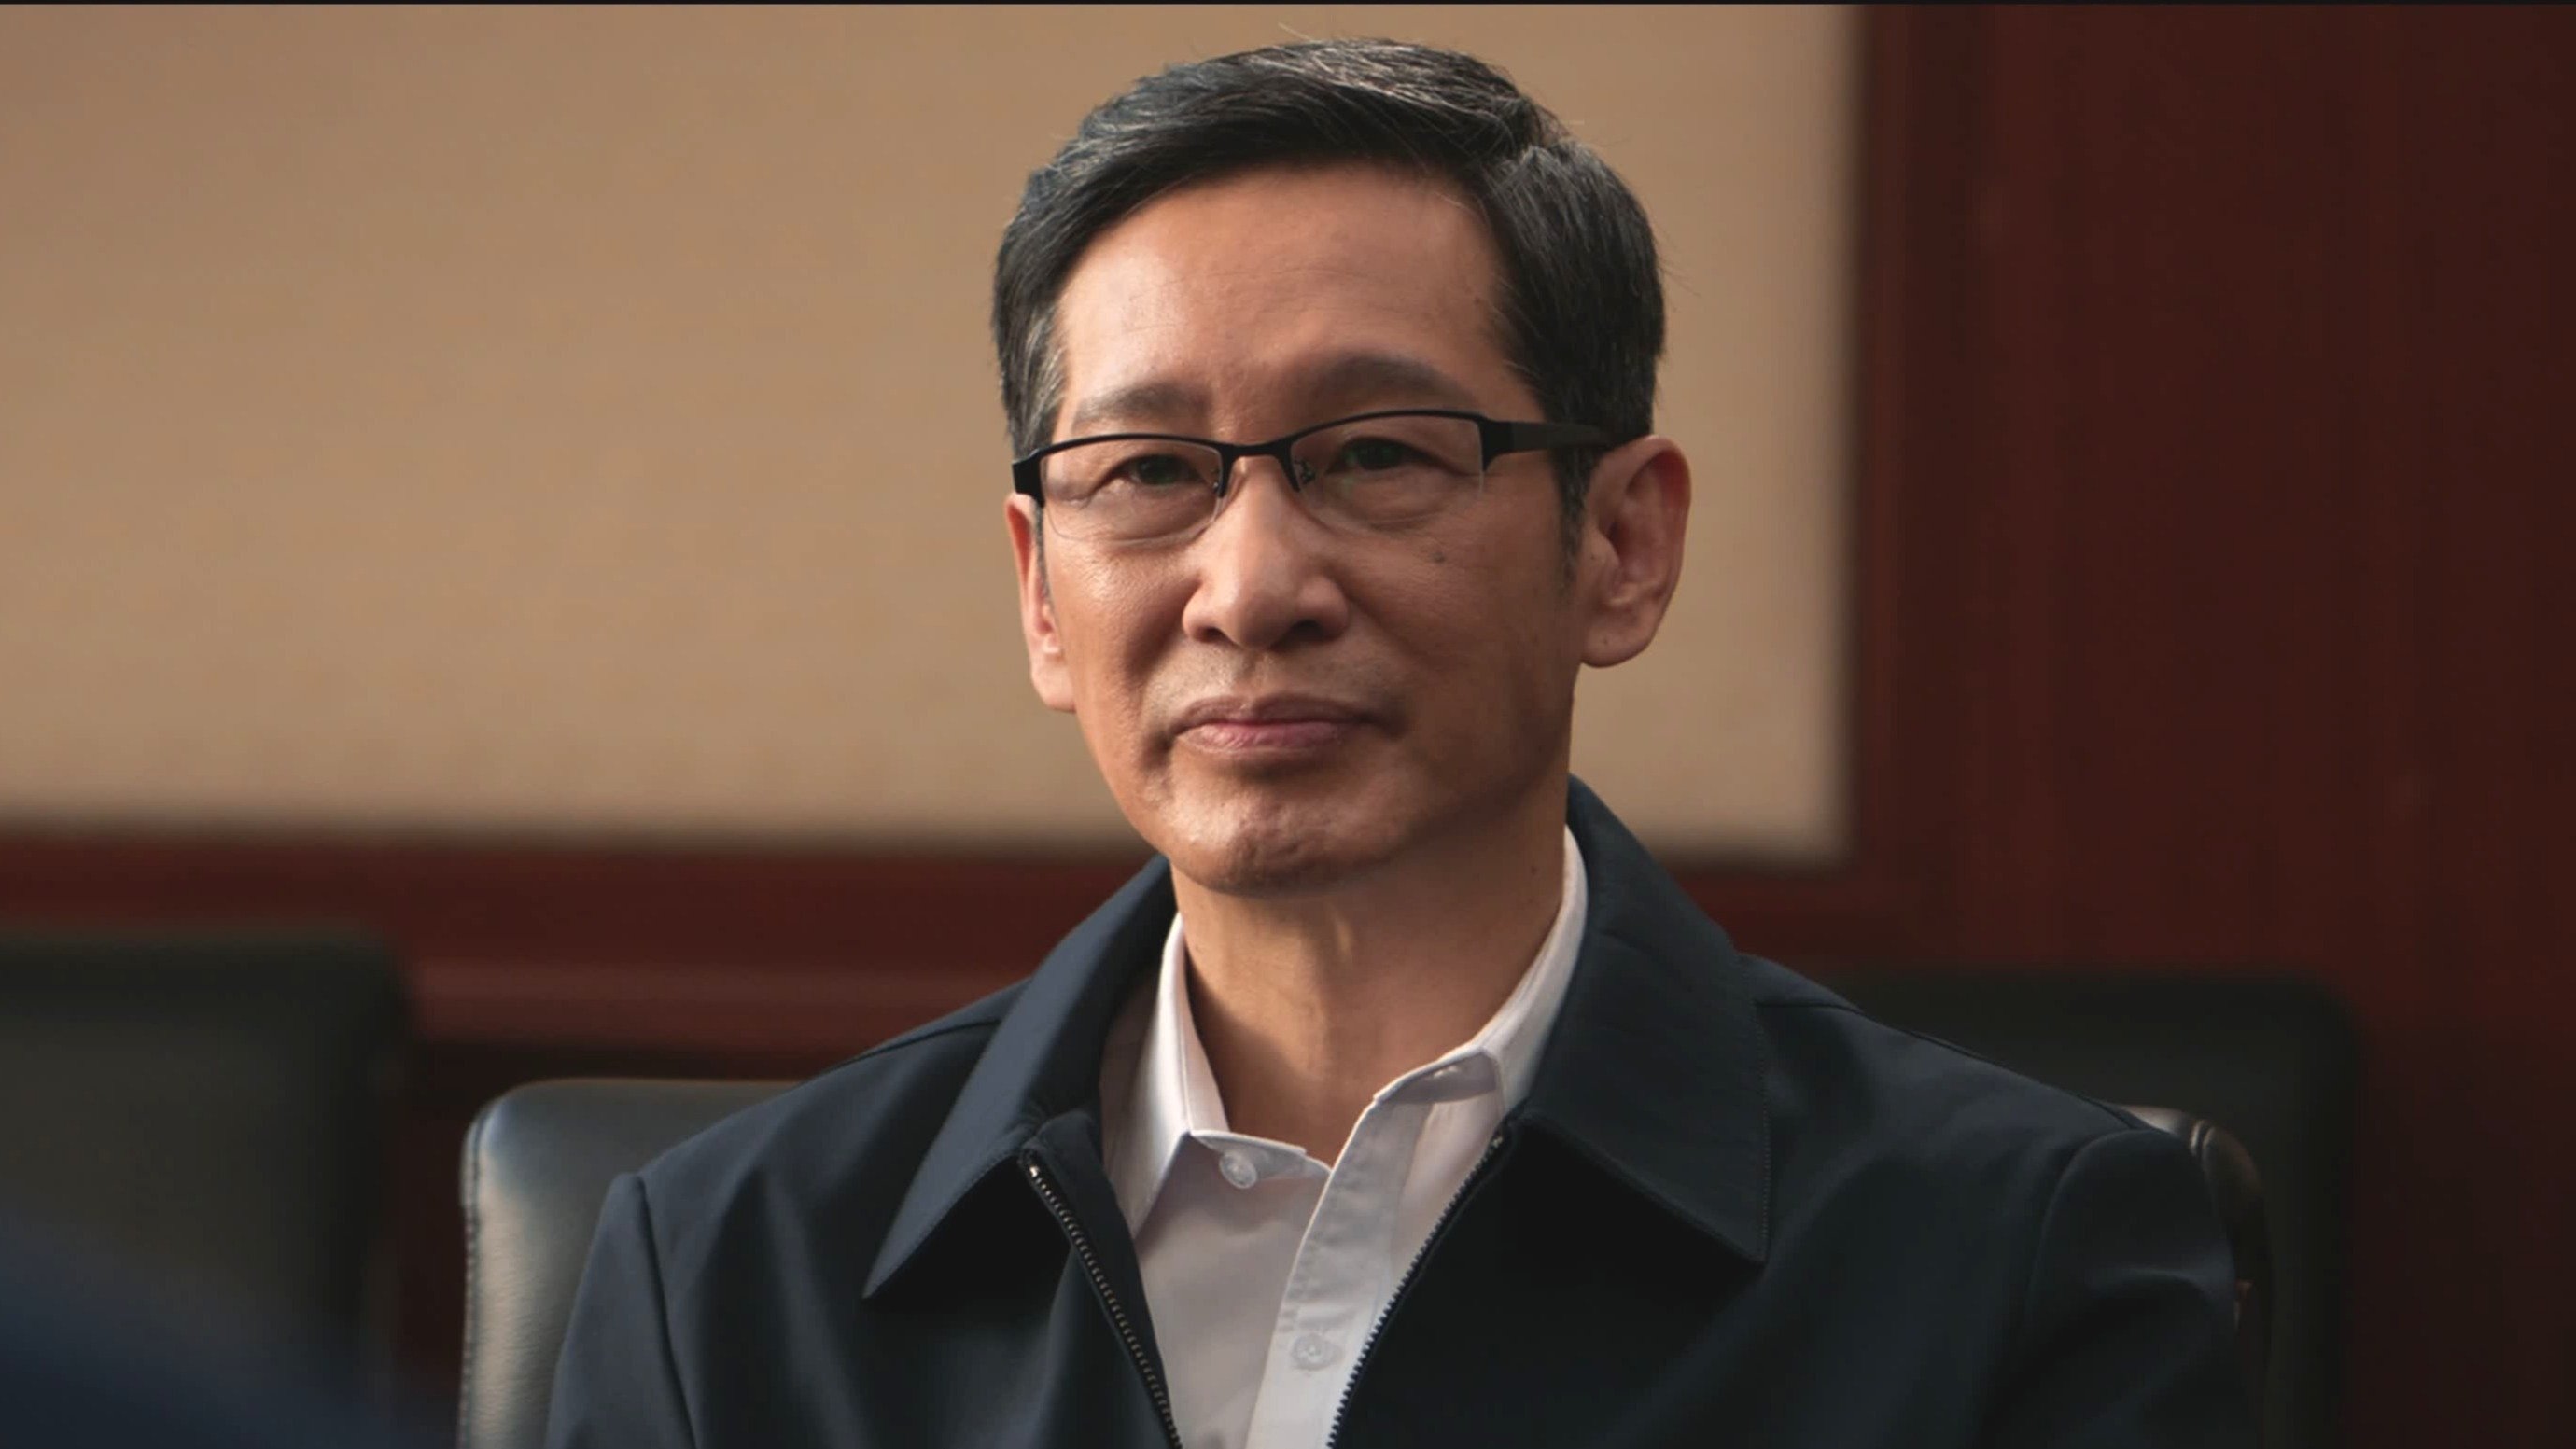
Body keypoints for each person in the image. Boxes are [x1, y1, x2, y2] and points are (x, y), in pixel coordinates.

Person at [545, 38, 2251, 1449]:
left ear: (1622, 544)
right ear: (1041, 595)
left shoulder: (2019, 1262)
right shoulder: (728, 1270)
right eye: (1149, 473)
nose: (1250, 587)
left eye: (1375, 455)